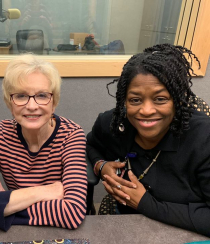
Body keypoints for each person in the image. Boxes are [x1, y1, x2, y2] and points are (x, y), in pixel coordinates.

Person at [86, 43, 210, 237]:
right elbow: (91, 145)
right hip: (127, 225)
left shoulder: (203, 138)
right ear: (124, 101)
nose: (146, 110)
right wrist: (101, 167)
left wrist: (145, 203)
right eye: (135, 100)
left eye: (160, 99)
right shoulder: (113, 123)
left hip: (185, 232)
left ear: (177, 100)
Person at [0, 54, 87, 231]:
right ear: (10, 104)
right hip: (14, 233)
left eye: (42, 95)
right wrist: (46, 191)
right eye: (21, 96)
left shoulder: (71, 135)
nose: (32, 106)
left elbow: (72, 213)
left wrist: (2, 201)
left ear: (53, 103)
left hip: (56, 233)